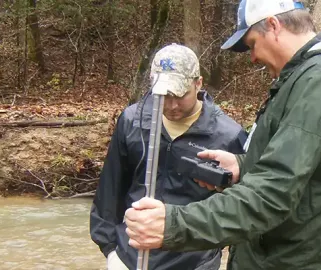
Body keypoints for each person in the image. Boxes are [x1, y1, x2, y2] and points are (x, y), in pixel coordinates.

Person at [124, 0, 321, 269]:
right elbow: (306, 171)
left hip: (312, 260)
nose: (252, 57)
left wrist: (173, 224)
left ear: (273, 25)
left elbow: (272, 193)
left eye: (252, 44)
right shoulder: (306, 79)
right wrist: (243, 167)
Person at [90, 43, 248, 270]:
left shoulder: (228, 135)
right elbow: (110, 191)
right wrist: (111, 251)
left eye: (181, 94)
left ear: (198, 83)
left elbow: (239, 211)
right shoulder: (133, 121)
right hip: (130, 257)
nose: (172, 105)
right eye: (165, 95)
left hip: (193, 262)